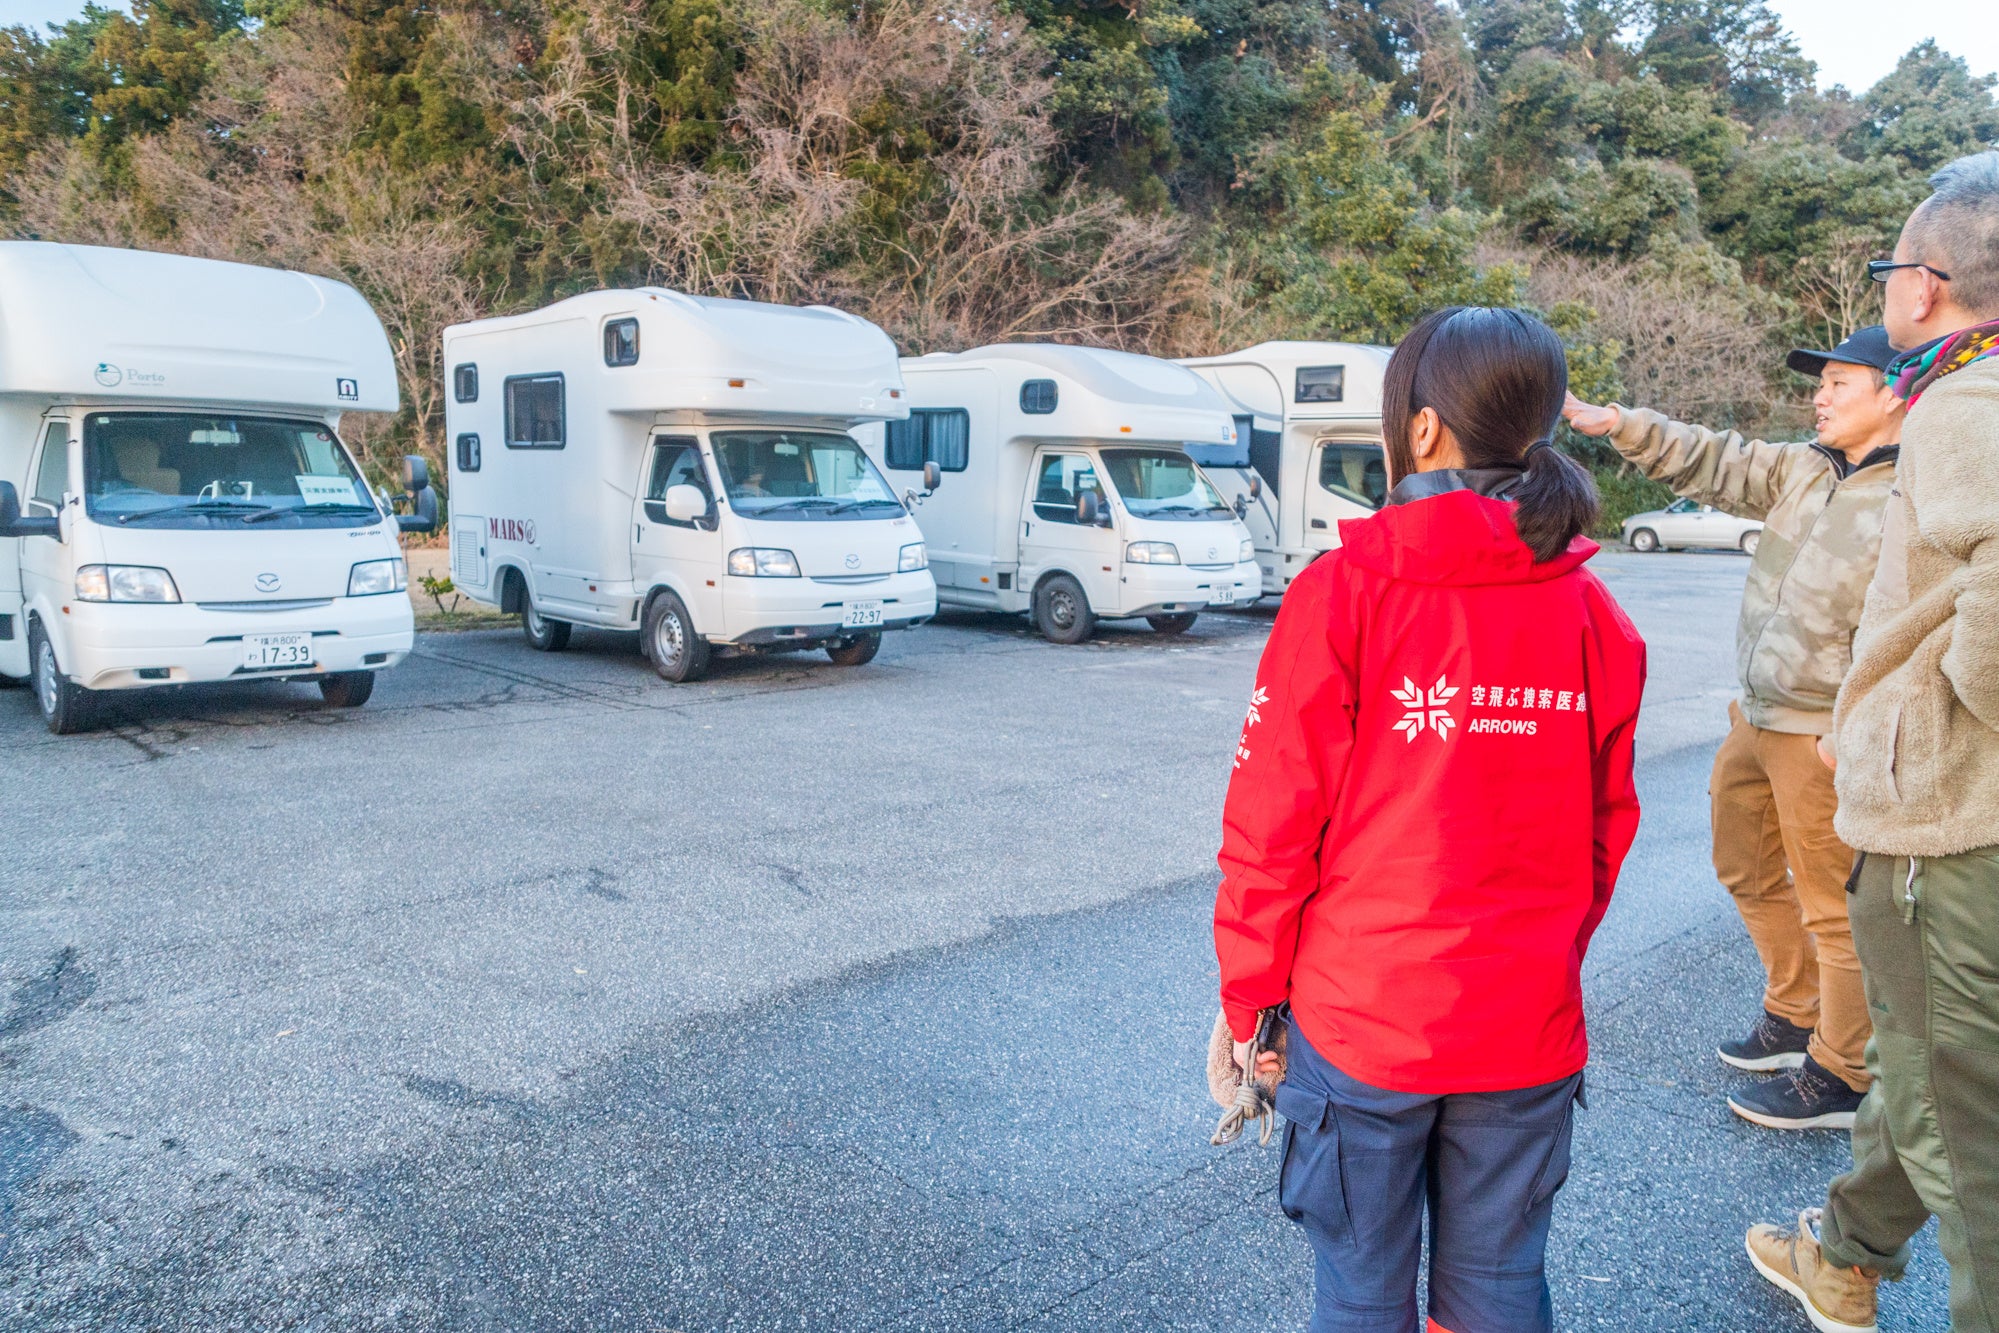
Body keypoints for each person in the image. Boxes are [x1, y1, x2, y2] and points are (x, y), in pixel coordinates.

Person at [1214, 306, 1647, 1333]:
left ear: (1418, 432)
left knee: (1361, 1291)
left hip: (1363, 1022)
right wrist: (1539, 957)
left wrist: (1251, 1003)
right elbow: (1602, 837)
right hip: (1522, 1026)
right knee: (1497, 1292)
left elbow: (1272, 827)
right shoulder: (1592, 614)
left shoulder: (1344, 593)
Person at [1744, 149, 1999, 1333]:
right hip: (1927, 793)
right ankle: (1845, 1252)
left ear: (1926, 284)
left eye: (1893, 266)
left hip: (1947, 821)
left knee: (1961, 1120)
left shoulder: (1967, 403)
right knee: (1932, 1062)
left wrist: (1897, 723)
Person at [1563, 327, 1905, 1131]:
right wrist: (1617, 422)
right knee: (1742, 862)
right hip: (1755, 712)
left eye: (1838, 385)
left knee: (1833, 903)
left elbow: (1910, 631)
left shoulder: (1916, 494)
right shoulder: (1803, 466)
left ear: (1892, 392)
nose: (1818, 397)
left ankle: (1840, 1070)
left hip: (1824, 728)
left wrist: (1845, 733)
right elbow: (1713, 458)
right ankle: (1794, 1010)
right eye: (1818, 384)